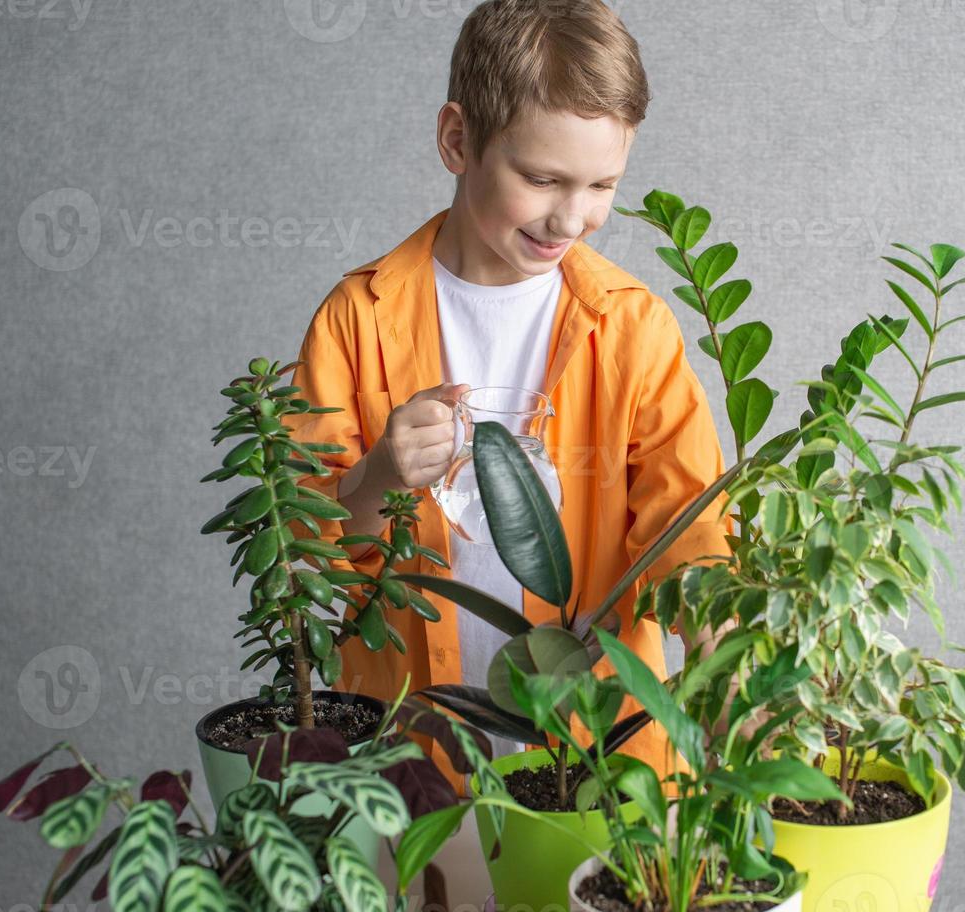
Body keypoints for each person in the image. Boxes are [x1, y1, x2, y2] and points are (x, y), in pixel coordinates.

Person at [288, 0, 731, 792]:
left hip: (600, 766)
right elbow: (302, 551)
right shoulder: (358, 319)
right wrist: (380, 476)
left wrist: (725, 658)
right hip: (410, 755)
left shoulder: (631, 329)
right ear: (458, 140)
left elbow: (687, 528)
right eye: (541, 179)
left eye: (603, 184)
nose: (573, 216)